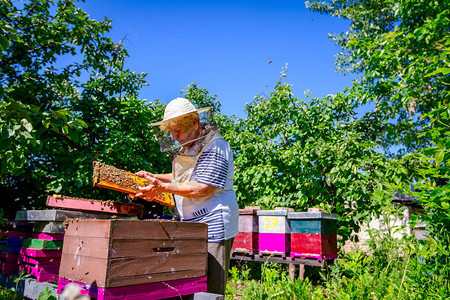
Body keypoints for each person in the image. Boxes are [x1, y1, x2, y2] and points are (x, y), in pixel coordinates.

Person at [135, 97, 239, 295]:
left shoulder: (215, 146)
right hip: (191, 223)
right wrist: (155, 177)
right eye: (171, 131)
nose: (174, 136)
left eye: (177, 130)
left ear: (194, 122)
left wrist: (162, 188)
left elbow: (202, 187)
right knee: (191, 283)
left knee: (210, 289)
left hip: (213, 224)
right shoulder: (190, 145)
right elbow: (182, 177)